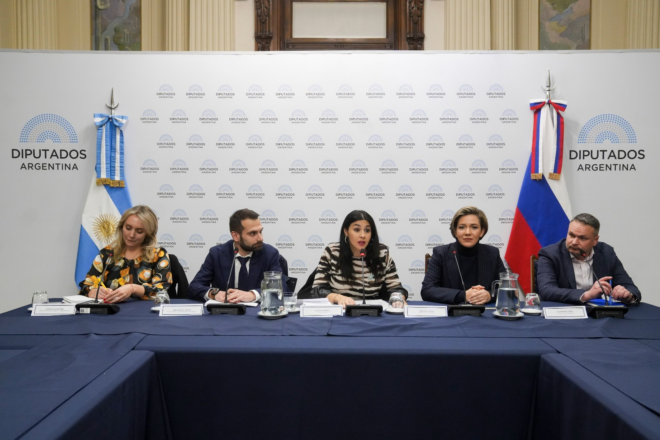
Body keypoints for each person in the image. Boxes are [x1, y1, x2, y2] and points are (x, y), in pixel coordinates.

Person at [537, 213, 641, 304]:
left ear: (595, 240)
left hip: (597, 314)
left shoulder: (606, 253)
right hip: (563, 312)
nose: (574, 242)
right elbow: (547, 291)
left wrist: (627, 295)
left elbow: (630, 287)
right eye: (571, 235)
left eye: (582, 238)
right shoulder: (550, 254)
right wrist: (587, 295)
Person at [311, 210, 407, 307]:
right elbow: (317, 290)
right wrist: (337, 297)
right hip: (340, 309)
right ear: (346, 231)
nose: (363, 235)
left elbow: (396, 289)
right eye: (357, 230)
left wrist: (398, 298)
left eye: (367, 230)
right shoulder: (333, 252)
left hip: (372, 311)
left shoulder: (382, 253)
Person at [188, 208, 284, 303]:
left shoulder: (270, 254)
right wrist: (214, 293)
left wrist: (253, 295)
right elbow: (194, 287)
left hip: (257, 311)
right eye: (253, 233)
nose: (260, 238)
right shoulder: (216, 254)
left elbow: (283, 286)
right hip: (224, 311)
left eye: (260, 231)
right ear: (235, 236)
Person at [79, 205, 172, 303]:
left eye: (139, 231)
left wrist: (133, 288)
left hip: (143, 311)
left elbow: (162, 291)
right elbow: (87, 284)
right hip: (110, 309)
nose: (131, 235)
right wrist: (92, 291)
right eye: (128, 228)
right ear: (121, 227)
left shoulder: (158, 255)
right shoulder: (107, 253)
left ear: (148, 234)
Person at [421, 206, 505, 304]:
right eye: (462, 227)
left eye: (474, 227)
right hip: (451, 312)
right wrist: (463, 295)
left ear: (482, 231)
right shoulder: (440, 253)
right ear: (455, 231)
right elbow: (427, 290)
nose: (467, 232)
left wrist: (490, 295)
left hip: (483, 311)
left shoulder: (492, 253)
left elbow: (508, 288)